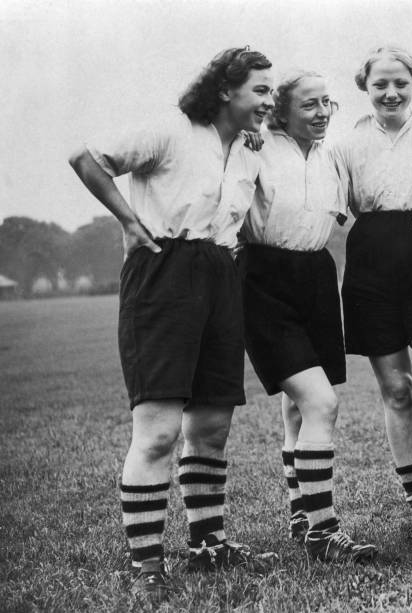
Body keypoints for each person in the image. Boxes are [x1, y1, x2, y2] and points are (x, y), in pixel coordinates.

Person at [68, 47, 277, 601]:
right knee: (158, 431)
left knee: (210, 426)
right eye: (260, 90)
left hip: (221, 273)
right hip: (164, 271)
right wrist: (129, 222)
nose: (269, 100)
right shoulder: (171, 128)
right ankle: (146, 564)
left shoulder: (249, 150)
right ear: (226, 89)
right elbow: (87, 157)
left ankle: (208, 545)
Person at [237, 70, 377, 563]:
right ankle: (323, 530)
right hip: (262, 278)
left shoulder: (331, 157)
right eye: (309, 105)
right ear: (281, 110)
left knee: (300, 405)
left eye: (327, 104)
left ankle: (301, 512)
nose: (321, 114)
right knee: (320, 402)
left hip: (317, 276)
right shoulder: (252, 146)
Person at [332, 46, 412, 550]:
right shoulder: (344, 143)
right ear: (364, 88)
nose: (390, 93)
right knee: (399, 392)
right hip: (371, 264)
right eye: (379, 85)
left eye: (401, 83)